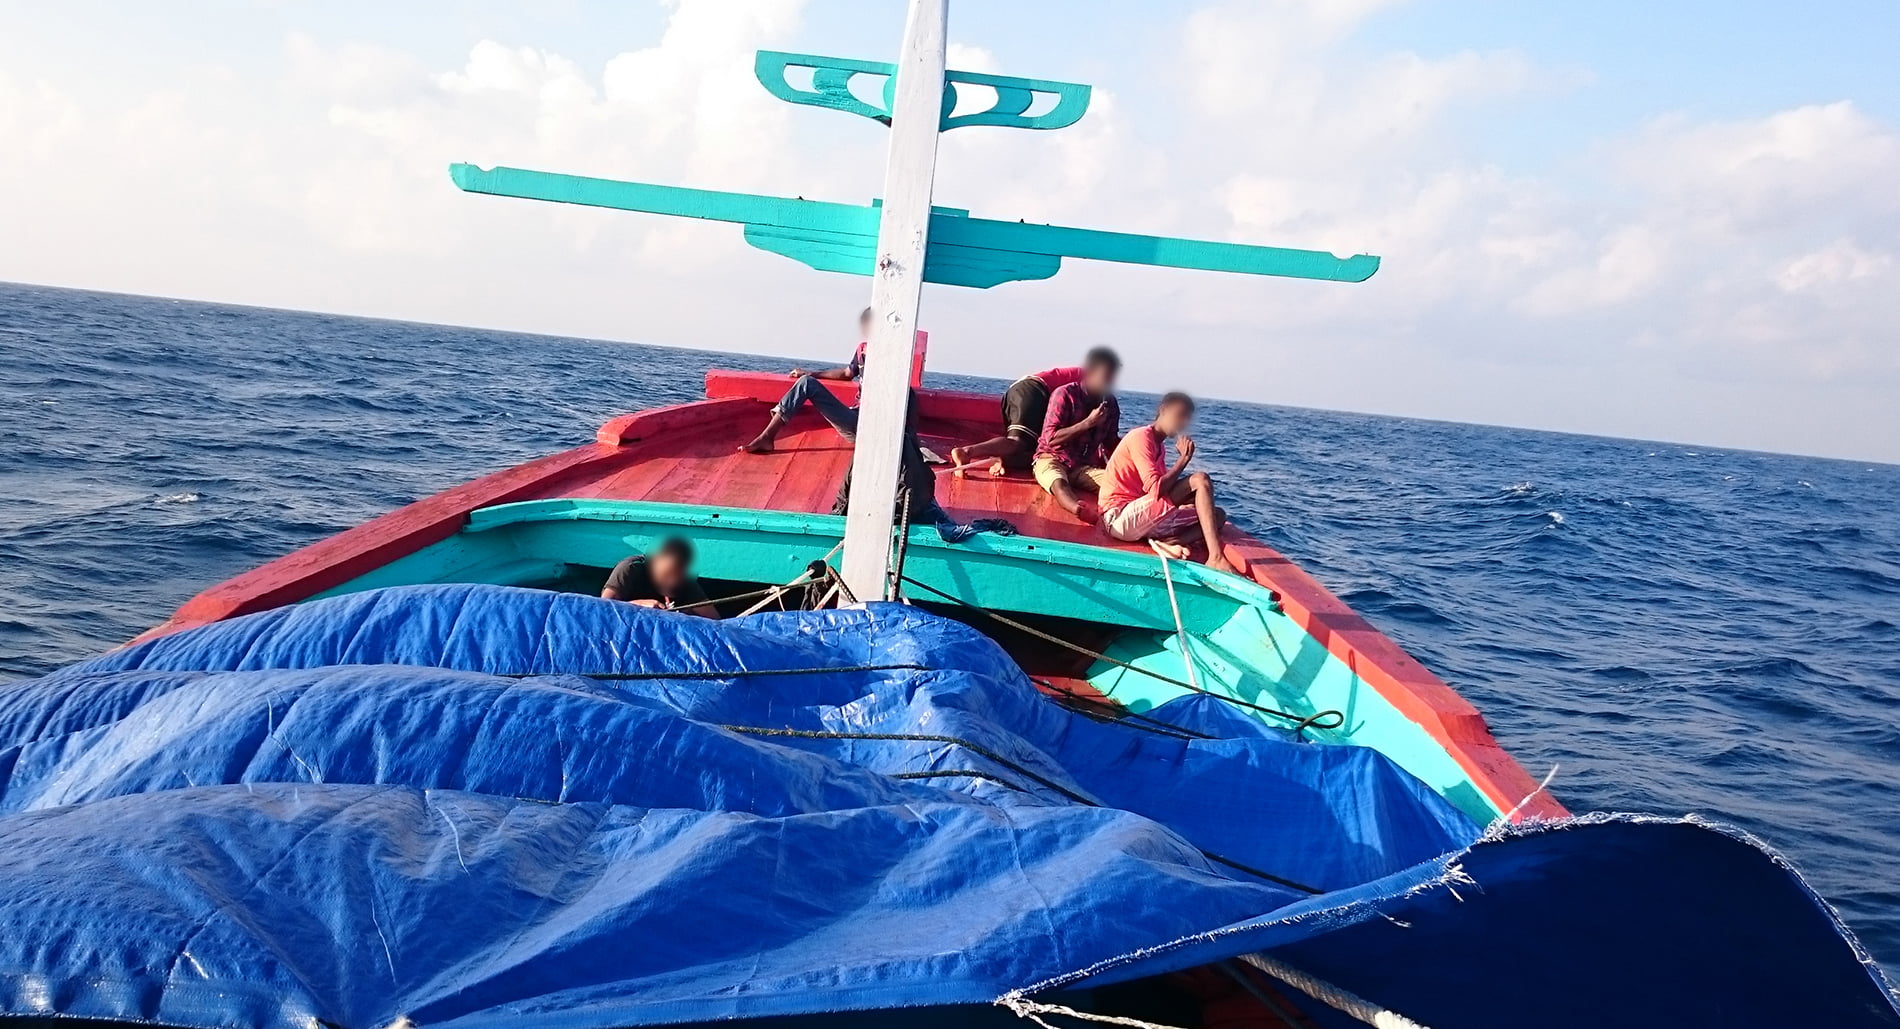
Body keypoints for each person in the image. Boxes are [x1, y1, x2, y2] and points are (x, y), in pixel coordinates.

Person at [1098, 392, 1234, 574]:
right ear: (1163, 410)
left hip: (1139, 517)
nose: (1182, 423)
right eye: (1179, 415)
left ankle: (1170, 544)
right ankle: (1216, 558)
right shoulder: (1141, 437)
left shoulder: (1159, 447)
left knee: (1217, 515)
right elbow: (1156, 489)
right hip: (1118, 518)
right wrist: (1184, 459)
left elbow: (1161, 491)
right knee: (1200, 480)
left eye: (1186, 418)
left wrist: (1187, 501)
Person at [740, 307, 872, 454]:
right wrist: (811, 373)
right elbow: (846, 373)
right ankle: (767, 437)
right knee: (806, 383)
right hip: (854, 419)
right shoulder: (863, 349)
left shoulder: (895, 358)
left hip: (873, 425)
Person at [948, 357, 1094, 477]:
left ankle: (1001, 459)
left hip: (1021, 391)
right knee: (1017, 442)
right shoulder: (1088, 379)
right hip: (1034, 391)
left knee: (1031, 449)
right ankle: (967, 452)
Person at [1031, 347, 1121, 520]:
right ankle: (1078, 509)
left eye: (1112, 376)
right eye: (1106, 375)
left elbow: (1111, 443)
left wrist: (1135, 451)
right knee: (1058, 482)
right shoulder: (1064, 394)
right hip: (1052, 458)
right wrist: (1088, 423)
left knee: (1117, 485)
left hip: (1083, 467)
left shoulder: (1110, 403)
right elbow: (1051, 439)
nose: (1109, 381)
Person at [600, 536, 719, 617]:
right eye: (667, 574)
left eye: (678, 575)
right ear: (656, 560)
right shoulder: (630, 568)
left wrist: (685, 614)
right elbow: (602, 608)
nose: (672, 582)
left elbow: (715, 621)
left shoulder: (685, 581)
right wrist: (640, 605)